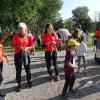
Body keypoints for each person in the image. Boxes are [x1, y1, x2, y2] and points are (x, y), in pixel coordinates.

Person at [11, 22, 34, 92]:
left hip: (26, 54)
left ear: (25, 28)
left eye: (21, 28)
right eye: (19, 28)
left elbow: (32, 46)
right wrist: (18, 47)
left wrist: (28, 48)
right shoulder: (15, 36)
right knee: (18, 71)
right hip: (18, 55)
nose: (20, 29)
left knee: (28, 69)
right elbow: (12, 45)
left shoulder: (29, 36)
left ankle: (29, 81)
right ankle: (19, 84)